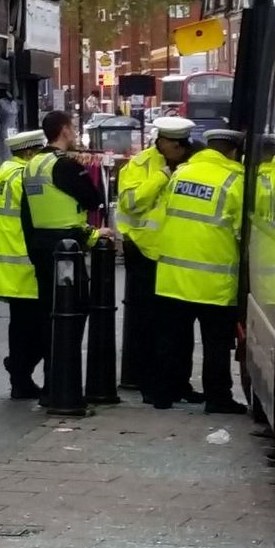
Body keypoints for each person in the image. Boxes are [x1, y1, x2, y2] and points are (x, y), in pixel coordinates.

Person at [153, 128, 248, 414]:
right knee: (216, 344)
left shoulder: (181, 174)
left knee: (171, 339)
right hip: (212, 279)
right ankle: (217, 398)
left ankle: (164, 394)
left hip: (172, 274)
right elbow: (242, 231)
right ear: (232, 151)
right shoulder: (235, 181)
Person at [21, 111, 112, 400]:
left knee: (52, 314)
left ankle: (52, 382)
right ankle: (63, 386)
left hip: (40, 247)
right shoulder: (65, 165)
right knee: (72, 314)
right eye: (71, 128)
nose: (73, 133)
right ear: (63, 130)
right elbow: (94, 197)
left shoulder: (32, 165)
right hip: (67, 250)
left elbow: (26, 215)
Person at [117, 117, 201, 404]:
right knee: (149, 324)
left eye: (182, 147)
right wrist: (161, 177)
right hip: (146, 253)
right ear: (163, 142)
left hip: (180, 254)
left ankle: (179, 383)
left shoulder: (194, 165)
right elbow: (130, 203)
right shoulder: (140, 165)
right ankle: (150, 385)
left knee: (179, 324)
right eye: (172, 145)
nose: (177, 151)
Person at [0, 130, 47, 399]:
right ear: (29, 153)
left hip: (3, 265)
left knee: (19, 327)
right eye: (40, 152)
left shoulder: (2, 175)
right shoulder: (26, 179)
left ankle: (20, 381)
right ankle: (19, 369)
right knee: (43, 327)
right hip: (24, 263)